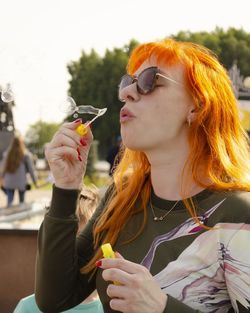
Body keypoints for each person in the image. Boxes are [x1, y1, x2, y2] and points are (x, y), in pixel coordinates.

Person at [35, 38, 250, 313]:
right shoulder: (122, 198)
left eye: (150, 81)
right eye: (127, 83)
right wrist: (66, 188)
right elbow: (54, 297)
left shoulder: (238, 214)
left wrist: (160, 307)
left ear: (196, 107)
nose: (128, 94)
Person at [14, 185, 104, 313]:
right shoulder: (28, 308)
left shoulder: (115, 308)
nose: (69, 250)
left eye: (82, 239)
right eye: (61, 243)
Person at [0, 134, 38, 207]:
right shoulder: (25, 155)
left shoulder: (7, 154)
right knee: (22, 203)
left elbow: (3, 168)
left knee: (9, 202)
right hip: (21, 182)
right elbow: (31, 170)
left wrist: (1, 178)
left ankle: (9, 214)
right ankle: (21, 215)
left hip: (9, 181)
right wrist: (35, 182)